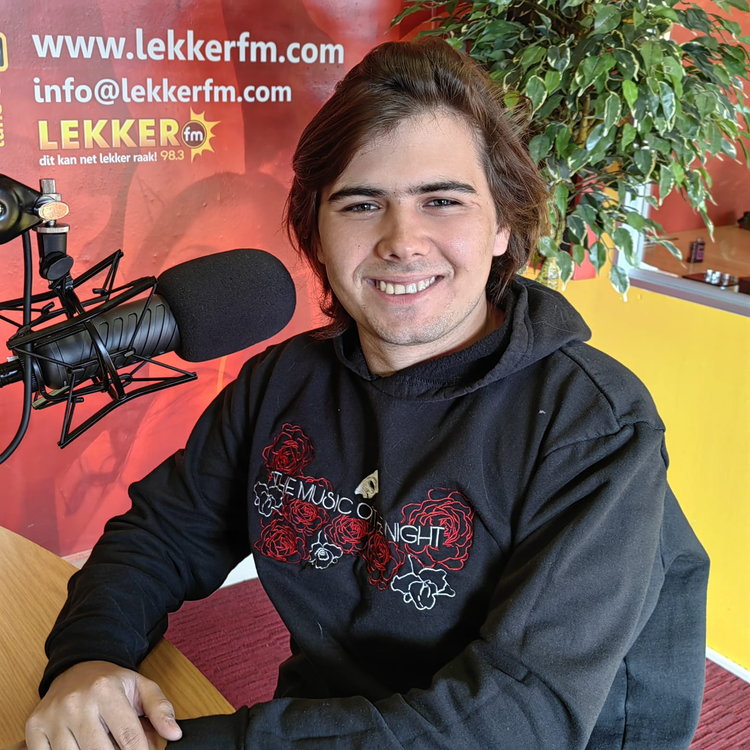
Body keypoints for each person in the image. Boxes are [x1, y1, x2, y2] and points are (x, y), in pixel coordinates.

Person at [23, 38, 709, 749]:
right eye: (360, 204)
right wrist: (87, 660)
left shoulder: (593, 425)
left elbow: (518, 715)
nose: (402, 241)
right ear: (315, 234)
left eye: (442, 200)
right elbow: (164, 534)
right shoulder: (284, 381)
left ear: (502, 226)